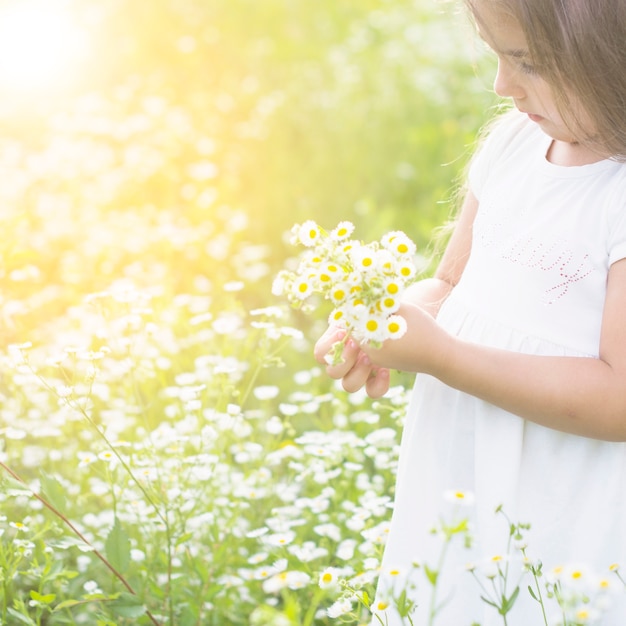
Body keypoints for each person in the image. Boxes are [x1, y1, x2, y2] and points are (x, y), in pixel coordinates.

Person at [314, 0, 626, 623]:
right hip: (464, 466)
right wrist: (384, 326)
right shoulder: (513, 144)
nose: (501, 85)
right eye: (497, 55)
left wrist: (445, 356)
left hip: (563, 490)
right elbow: (451, 284)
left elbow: (620, 399)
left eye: (527, 62)